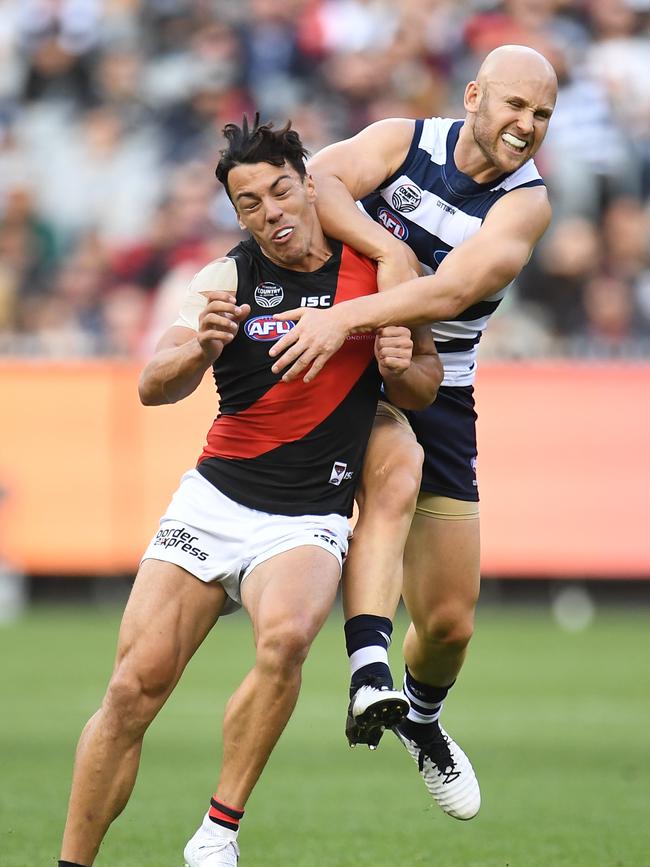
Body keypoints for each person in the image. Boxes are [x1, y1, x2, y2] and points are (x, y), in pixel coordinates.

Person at [57, 116, 441, 867]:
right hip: (216, 500)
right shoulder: (225, 279)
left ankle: (217, 830)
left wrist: (400, 363)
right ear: (236, 215)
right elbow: (150, 385)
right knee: (133, 688)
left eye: (280, 189)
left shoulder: (382, 268)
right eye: (250, 203)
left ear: (309, 184)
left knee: (290, 635)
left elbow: (422, 384)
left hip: (308, 514)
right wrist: (197, 348)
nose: (272, 212)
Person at [268, 44, 558, 822]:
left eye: (542, 116)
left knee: (452, 623)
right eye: (515, 107)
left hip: (439, 390)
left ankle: (422, 721)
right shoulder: (404, 140)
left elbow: (458, 287)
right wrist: (388, 253)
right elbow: (315, 181)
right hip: (345, 366)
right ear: (473, 96)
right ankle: (365, 663)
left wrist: (351, 314)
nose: (527, 127)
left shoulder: (526, 204)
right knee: (386, 483)